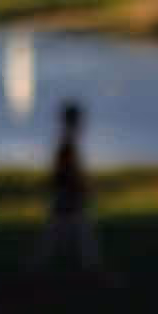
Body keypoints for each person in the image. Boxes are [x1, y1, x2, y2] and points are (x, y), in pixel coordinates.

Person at [27, 100, 106, 277]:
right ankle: (91, 271)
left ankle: (37, 271)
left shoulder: (66, 141)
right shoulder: (67, 143)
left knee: (59, 236)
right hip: (68, 197)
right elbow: (67, 173)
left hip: (64, 197)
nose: (82, 123)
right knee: (75, 236)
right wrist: (81, 188)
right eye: (78, 119)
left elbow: (62, 173)